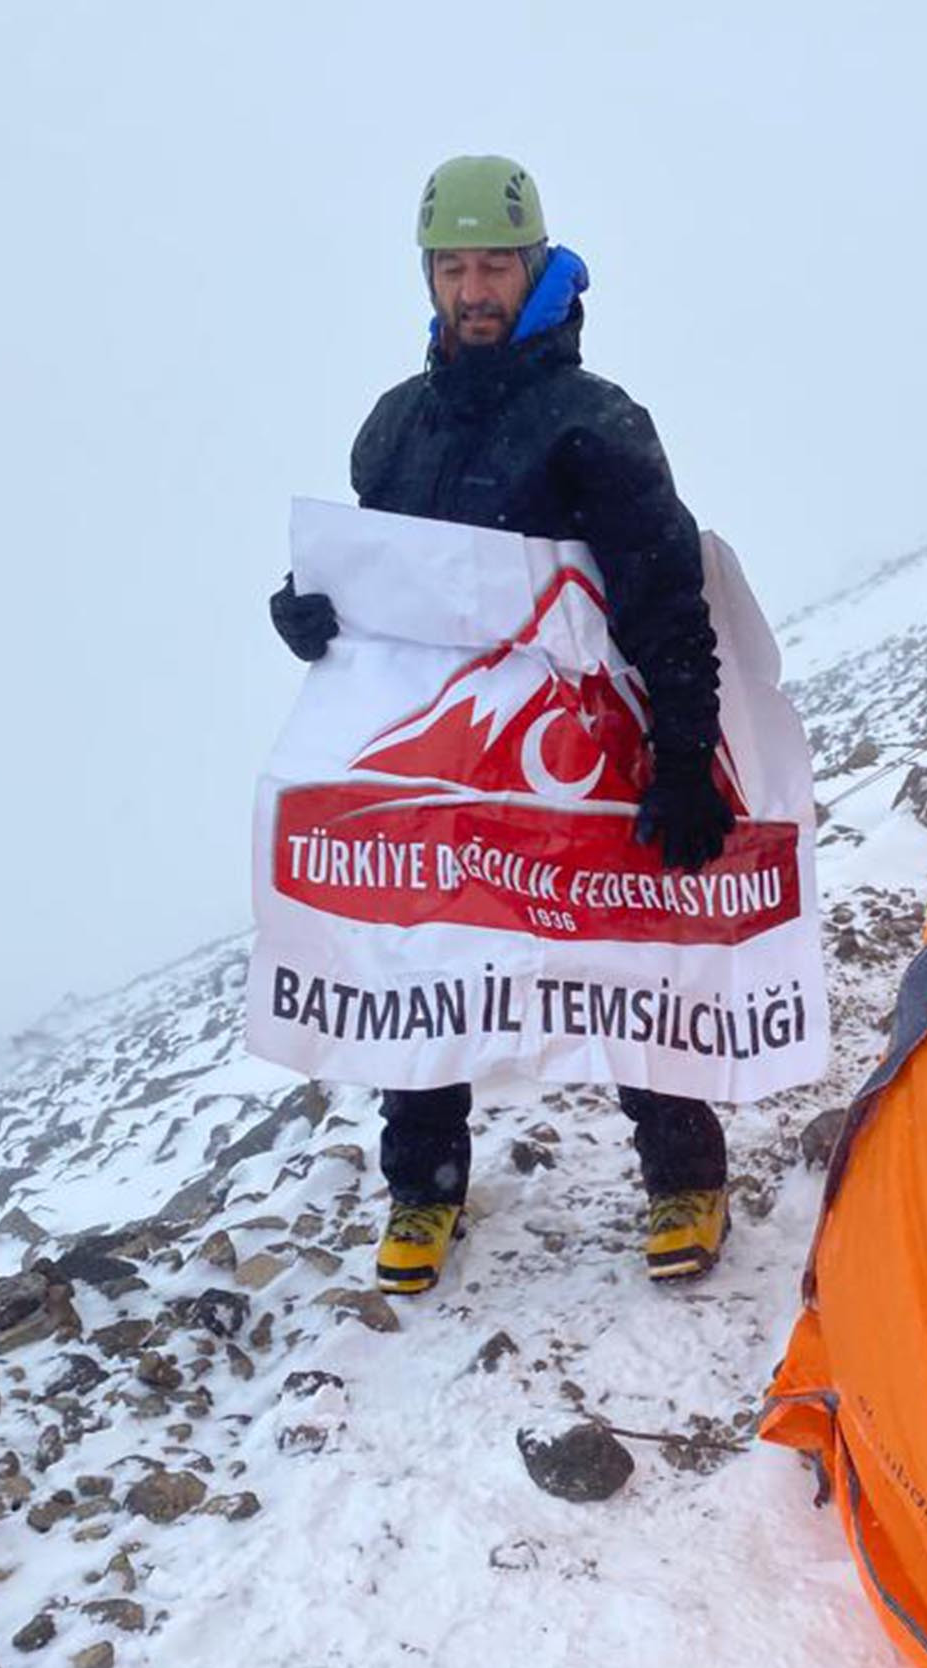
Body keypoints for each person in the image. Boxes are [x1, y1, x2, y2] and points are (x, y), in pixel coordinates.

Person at [268, 154, 735, 1295]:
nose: (473, 288)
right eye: (452, 266)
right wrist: (313, 617)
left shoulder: (594, 421)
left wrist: (683, 756)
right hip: (447, 757)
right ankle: (422, 1189)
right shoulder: (392, 432)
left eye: (493, 264)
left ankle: (683, 1172)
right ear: (427, 279)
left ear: (533, 267)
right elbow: (388, 594)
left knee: (620, 952)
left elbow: (663, 594)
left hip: (580, 749)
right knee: (420, 950)